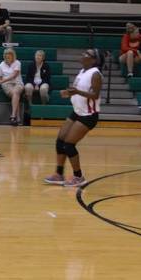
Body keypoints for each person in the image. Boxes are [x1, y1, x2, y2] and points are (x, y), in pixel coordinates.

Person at [44, 49, 103, 187]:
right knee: (60, 141)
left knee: (69, 145)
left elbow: (95, 95)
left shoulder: (95, 74)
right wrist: (70, 93)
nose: (83, 55)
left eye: (86, 54)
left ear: (94, 60)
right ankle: (59, 174)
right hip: (77, 111)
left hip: (88, 115)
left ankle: (78, 177)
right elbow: (79, 91)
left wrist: (76, 92)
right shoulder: (82, 71)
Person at [0, 48, 23, 126]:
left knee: (15, 92)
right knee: (15, 95)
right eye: (6, 57)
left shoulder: (17, 63)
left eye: (9, 57)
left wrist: (2, 81)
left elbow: (14, 75)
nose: (7, 58)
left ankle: (13, 116)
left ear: (13, 56)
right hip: (6, 84)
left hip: (17, 83)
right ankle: (17, 118)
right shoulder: (1, 64)